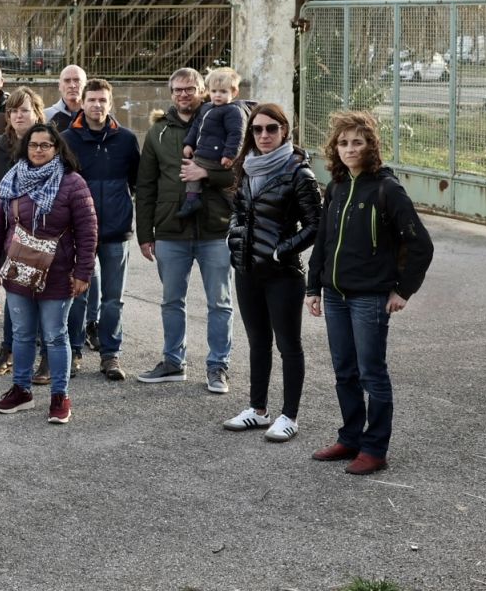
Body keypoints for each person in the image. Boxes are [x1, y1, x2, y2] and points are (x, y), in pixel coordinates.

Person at [307, 110, 433, 476]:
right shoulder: (336, 186)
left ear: (370, 146)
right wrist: (313, 286)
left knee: (371, 372)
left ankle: (375, 448)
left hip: (369, 299)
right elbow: (322, 241)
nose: (349, 149)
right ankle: (350, 437)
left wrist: (403, 290)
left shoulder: (386, 189)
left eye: (356, 142)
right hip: (334, 296)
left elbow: (421, 245)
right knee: (344, 370)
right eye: (343, 143)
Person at [0, 123, 97, 424]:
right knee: (21, 334)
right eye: (33, 144)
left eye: (46, 145)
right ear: (26, 147)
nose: (38, 150)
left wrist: (83, 271)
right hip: (18, 271)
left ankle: (60, 395)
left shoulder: (73, 183)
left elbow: (88, 232)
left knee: (55, 336)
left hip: (58, 274)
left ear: (57, 148)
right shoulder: (11, 179)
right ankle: (21, 390)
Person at [220, 102, 321, 441]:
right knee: (257, 342)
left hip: (283, 274)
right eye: (257, 129)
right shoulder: (246, 167)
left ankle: (289, 416)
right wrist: (233, 236)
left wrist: (281, 249)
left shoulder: (299, 173)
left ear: (284, 132)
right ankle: (258, 410)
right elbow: (239, 210)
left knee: (288, 345)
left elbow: (315, 226)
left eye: (271, 129)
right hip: (246, 269)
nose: (264, 135)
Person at [134, 67, 237, 391]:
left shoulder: (224, 119)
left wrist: (205, 175)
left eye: (190, 88)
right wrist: (145, 234)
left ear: (202, 89)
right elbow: (145, 186)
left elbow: (238, 176)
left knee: (219, 303)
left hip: (215, 230)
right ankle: (173, 362)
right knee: (171, 301)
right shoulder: (158, 132)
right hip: (170, 230)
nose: (183, 94)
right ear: (171, 93)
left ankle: (218, 366)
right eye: (178, 89)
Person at [62, 78, 140, 381]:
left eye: (102, 100)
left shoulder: (126, 139)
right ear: (82, 102)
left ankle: (110, 354)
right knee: (78, 295)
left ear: (111, 103)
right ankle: (75, 351)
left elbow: (136, 183)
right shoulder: (67, 139)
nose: (97, 105)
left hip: (116, 231)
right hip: (78, 232)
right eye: (91, 99)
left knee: (112, 298)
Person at [0, 88, 48, 380]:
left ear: (37, 114)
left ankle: (46, 357)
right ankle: (8, 351)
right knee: (15, 297)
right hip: (11, 235)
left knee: (45, 296)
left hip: (43, 235)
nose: (19, 115)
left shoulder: (49, 144)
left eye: (25, 110)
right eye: (14, 111)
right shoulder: (1, 147)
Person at [181, 67, 247, 219]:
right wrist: (188, 144)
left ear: (234, 92)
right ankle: (192, 199)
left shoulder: (233, 111)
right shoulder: (206, 108)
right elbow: (196, 126)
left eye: (223, 92)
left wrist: (229, 154)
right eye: (214, 91)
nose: (218, 95)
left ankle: (239, 210)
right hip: (203, 153)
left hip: (219, 157)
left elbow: (236, 134)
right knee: (191, 168)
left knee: (226, 188)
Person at [42, 64, 88, 135]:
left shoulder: (96, 115)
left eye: (77, 80)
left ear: (85, 85)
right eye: (67, 81)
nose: (72, 85)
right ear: (59, 86)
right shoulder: (45, 117)